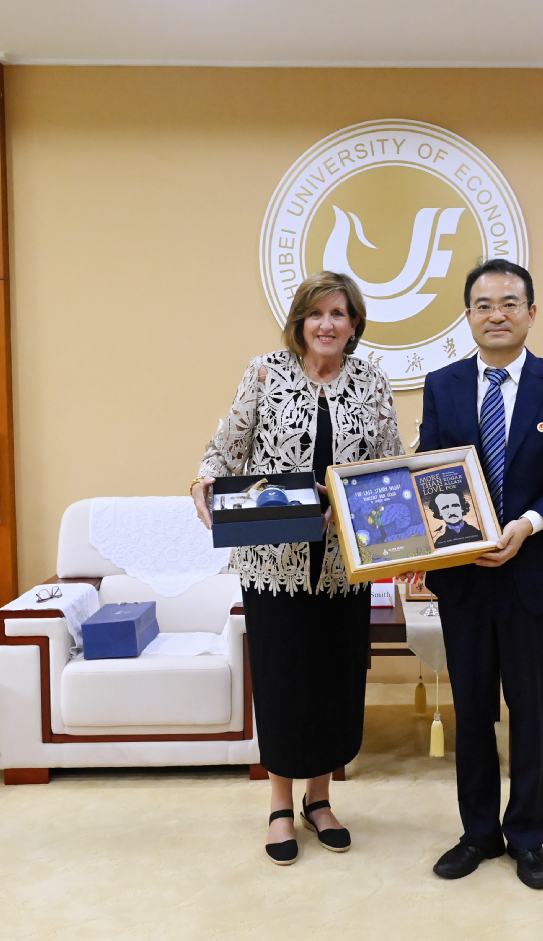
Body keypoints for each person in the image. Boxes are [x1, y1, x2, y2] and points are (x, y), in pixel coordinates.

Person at [191, 271, 403, 866]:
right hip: (273, 561)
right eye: (316, 313)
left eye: (339, 313)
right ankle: (280, 805)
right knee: (283, 682)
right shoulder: (265, 372)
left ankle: (321, 799)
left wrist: (392, 526)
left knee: (334, 680)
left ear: (354, 323)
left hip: (343, 564)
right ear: (300, 322)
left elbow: (390, 465)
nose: (327, 324)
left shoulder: (371, 380)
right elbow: (225, 449)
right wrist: (204, 482)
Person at [418, 259, 543, 890]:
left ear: (531, 312)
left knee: (530, 709)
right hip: (465, 577)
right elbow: (430, 470)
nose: (497, 314)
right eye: (484, 305)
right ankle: (477, 834)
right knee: (471, 710)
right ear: (468, 316)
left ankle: (527, 837)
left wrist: (526, 524)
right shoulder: (441, 386)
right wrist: (440, 542)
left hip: (537, 575)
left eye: (509, 303)